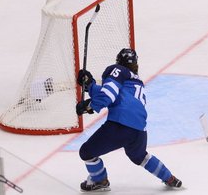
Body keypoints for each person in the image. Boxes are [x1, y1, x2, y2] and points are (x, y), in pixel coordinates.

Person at [75, 48, 182, 192]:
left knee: (86, 152)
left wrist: (89, 105)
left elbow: (109, 95)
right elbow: (118, 95)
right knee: (140, 156)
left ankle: (100, 180)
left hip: (120, 125)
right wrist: (91, 85)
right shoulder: (136, 83)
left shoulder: (116, 70)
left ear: (119, 62)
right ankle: (169, 177)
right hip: (139, 131)